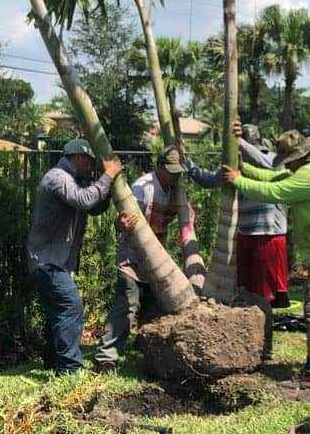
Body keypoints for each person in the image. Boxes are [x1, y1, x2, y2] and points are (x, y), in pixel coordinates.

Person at [221, 130, 310, 388]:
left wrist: (238, 181)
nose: (286, 164)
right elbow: (273, 176)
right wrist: (243, 168)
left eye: (288, 160)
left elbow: (274, 191)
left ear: (297, 157)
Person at [93, 146, 194, 371]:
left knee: (154, 309)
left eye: (178, 172)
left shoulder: (174, 190)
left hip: (156, 263)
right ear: (159, 167)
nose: (175, 176)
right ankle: (105, 357)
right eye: (171, 171)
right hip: (132, 258)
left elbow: (187, 215)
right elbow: (120, 221)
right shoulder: (142, 188)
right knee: (127, 305)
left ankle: (147, 353)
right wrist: (120, 224)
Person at [27, 138, 123, 375]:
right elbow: (84, 200)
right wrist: (108, 175)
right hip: (47, 261)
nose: (91, 166)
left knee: (58, 311)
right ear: (78, 157)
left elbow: (94, 206)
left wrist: (109, 186)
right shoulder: (58, 178)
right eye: (89, 162)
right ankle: (69, 370)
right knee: (71, 306)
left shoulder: (72, 180)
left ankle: (53, 361)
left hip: (53, 261)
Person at [186, 122, 291, 308]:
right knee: (249, 289)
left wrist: (240, 142)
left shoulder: (270, 160)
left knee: (266, 292)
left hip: (269, 234)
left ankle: (265, 321)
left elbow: (268, 164)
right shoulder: (236, 166)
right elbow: (209, 180)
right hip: (246, 233)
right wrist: (188, 165)